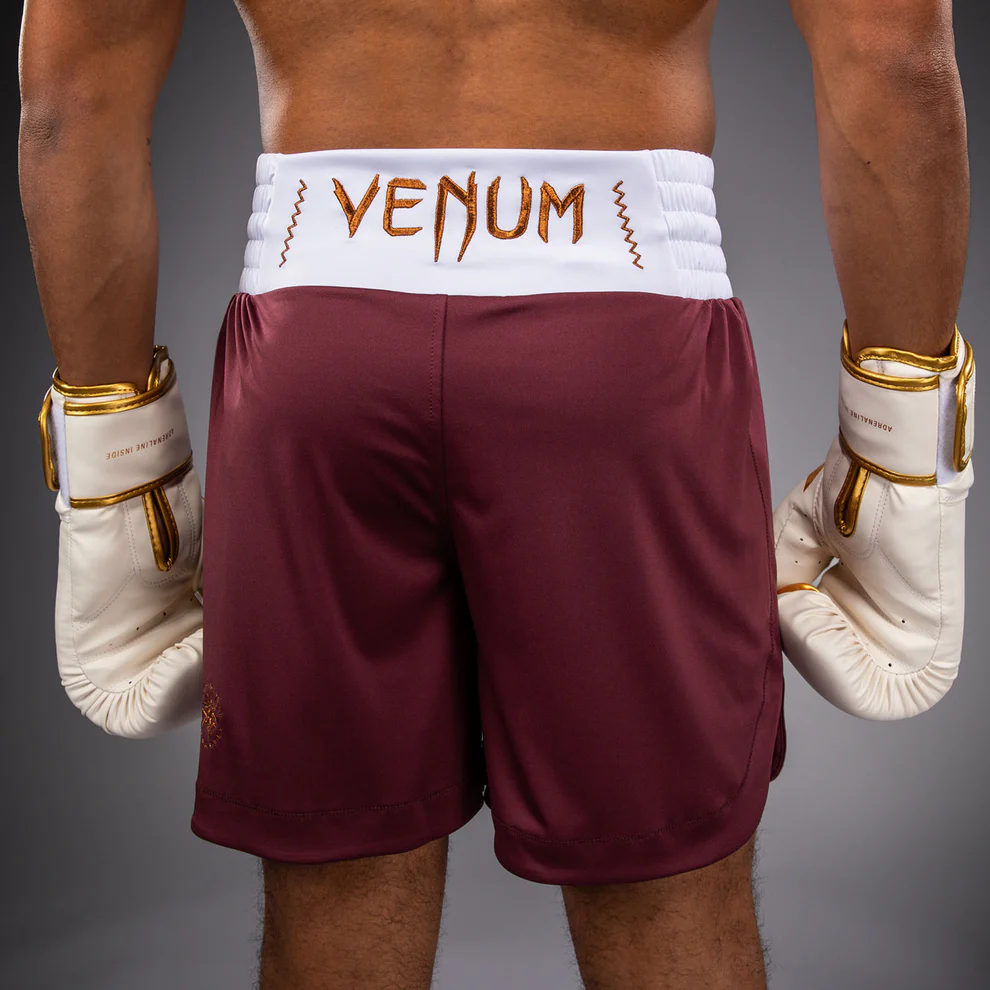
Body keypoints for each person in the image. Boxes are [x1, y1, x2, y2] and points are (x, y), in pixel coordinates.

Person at [18, 0, 973, 987]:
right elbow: (892, 54)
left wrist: (121, 468)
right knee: (664, 889)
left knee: (332, 900)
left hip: (317, 340)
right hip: (619, 342)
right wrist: (897, 454)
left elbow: (71, 96)